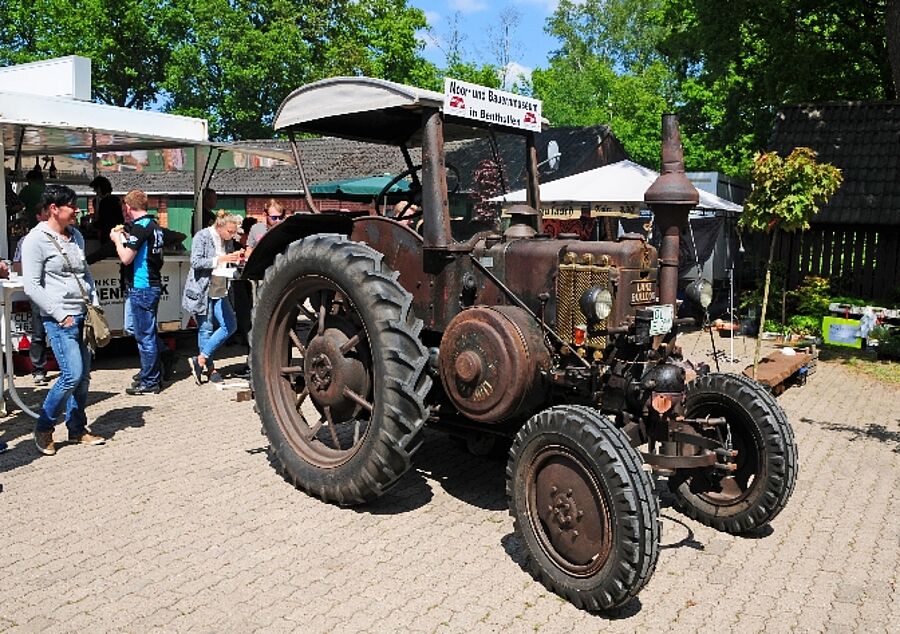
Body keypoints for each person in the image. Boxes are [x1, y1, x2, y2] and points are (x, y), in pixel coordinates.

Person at [20, 185, 105, 456]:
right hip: (60, 320)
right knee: (71, 375)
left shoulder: (76, 236)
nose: (77, 210)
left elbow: (85, 274)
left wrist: (94, 302)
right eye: (72, 205)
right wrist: (60, 315)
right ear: (54, 209)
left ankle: (77, 428)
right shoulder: (36, 240)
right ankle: (44, 427)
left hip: (83, 315)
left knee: (83, 379)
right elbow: (32, 286)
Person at [111, 189, 166, 395]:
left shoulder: (141, 227)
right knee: (142, 331)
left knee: (145, 336)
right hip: (151, 283)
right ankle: (150, 370)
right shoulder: (153, 226)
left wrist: (117, 239)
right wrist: (126, 236)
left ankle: (151, 381)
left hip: (142, 286)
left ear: (128, 206)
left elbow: (126, 258)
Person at [183, 211, 243, 384]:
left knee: (230, 325)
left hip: (220, 287)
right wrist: (221, 258)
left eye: (234, 232)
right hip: (203, 288)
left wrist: (236, 260)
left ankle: (200, 359)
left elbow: (227, 263)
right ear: (219, 227)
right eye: (230, 232)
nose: (232, 236)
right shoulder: (202, 236)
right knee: (206, 327)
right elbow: (195, 262)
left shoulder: (228, 241)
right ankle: (209, 368)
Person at [11, 205, 52, 385]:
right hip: (39, 289)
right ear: (38, 217)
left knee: (66, 330)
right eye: (45, 215)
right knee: (38, 331)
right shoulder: (26, 240)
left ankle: (71, 368)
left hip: (58, 289)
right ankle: (38, 369)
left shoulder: (65, 236)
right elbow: (17, 265)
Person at [86, 176, 123, 264]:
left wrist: (92, 225)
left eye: (95, 190)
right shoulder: (117, 200)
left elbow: (104, 222)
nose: (96, 193)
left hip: (108, 237)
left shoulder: (105, 202)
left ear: (99, 188)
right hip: (119, 236)